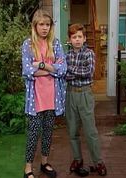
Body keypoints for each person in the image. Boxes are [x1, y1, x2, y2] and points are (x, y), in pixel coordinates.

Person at [21, 9, 67, 178]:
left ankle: (44, 163)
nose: (45, 28)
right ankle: (28, 168)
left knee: (48, 132)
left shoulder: (55, 44)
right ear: (35, 26)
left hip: (52, 97)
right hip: (36, 99)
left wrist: (41, 65)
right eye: (41, 24)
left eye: (47, 24)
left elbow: (62, 70)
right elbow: (26, 71)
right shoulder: (28, 45)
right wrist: (51, 68)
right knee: (33, 133)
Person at [65, 23, 107, 177]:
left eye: (80, 37)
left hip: (85, 95)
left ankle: (98, 162)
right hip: (70, 95)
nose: (77, 39)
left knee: (90, 131)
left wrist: (70, 70)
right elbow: (64, 75)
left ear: (84, 38)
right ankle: (78, 159)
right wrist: (71, 72)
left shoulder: (89, 53)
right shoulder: (67, 55)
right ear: (69, 39)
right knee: (73, 130)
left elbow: (88, 72)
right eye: (74, 37)